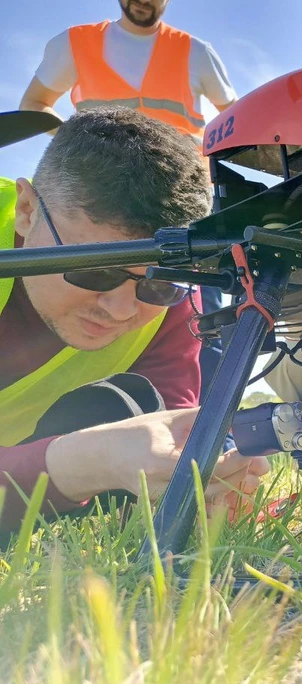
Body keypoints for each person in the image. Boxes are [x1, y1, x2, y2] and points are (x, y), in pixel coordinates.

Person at [0, 107, 267, 535]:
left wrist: (199, 480)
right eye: (95, 269)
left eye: (158, 285)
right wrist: (83, 462)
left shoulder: (176, 302)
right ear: (28, 210)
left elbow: (170, 432)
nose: (122, 310)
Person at [20, 0, 241, 390]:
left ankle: (206, 420)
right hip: (98, 203)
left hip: (178, 209)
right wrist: (85, 151)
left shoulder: (196, 53)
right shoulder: (74, 44)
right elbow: (35, 103)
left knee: (202, 315)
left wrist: (192, 171)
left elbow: (233, 119)